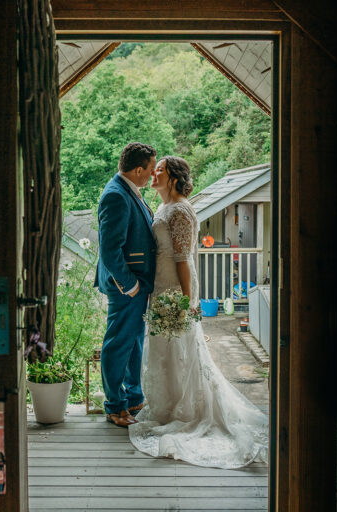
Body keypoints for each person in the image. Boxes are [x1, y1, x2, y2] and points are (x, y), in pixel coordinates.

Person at [128, 156, 269, 469]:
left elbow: (183, 259)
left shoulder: (180, 210)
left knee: (182, 353)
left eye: (160, 170)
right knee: (166, 354)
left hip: (174, 291)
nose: (154, 173)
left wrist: (185, 302)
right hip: (160, 288)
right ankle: (167, 409)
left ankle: (186, 413)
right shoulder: (164, 208)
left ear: (174, 177)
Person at [94, 142, 158, 427]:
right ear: (139, 169)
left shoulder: (131, 191)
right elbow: (110, 250)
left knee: (133, 342)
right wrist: (130, 285)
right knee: (118, 344)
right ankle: (114, 406)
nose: (153, 175)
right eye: (152, 169)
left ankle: (133, 399)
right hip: (126, 286)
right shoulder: (116, 196)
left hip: (137, 284)